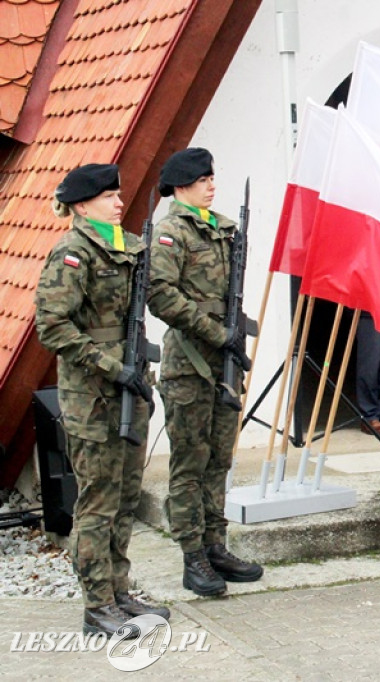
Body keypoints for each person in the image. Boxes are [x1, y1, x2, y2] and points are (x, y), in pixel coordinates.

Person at [35, 163, 170, 636]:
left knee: (126, 495)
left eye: (119, 194)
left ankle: (119, 589)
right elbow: (51, 327)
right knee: (97, 502)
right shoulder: (72, 253)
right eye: (109, 196)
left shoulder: (125, 245)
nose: (118, 202)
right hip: (93, 396)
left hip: (130, 389)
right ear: (81, 205)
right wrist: (114, 367)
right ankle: (97, 606)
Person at [147, 148, 263, 597]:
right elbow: (161, 296)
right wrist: (216, 333)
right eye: (201, 179)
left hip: (223, 362)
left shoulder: (222, 229)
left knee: (220, 461)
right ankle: (192, 557)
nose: (211, 184)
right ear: (180, 187)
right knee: (190, 465)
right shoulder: (171, 233)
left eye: (212, 177)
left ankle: (216, 545)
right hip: (189, 365)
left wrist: (231, 334)